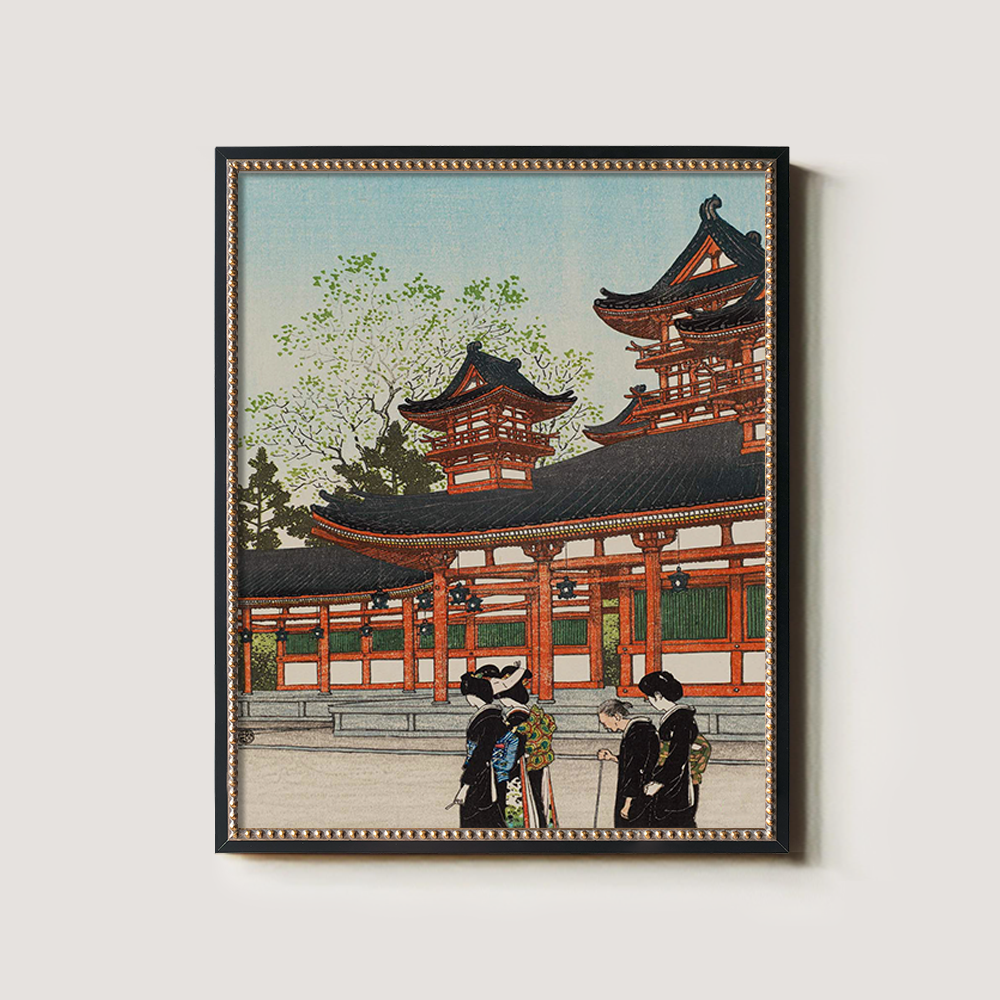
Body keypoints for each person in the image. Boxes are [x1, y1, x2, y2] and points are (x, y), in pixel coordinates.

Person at [637, 670, 699, 828]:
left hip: (675, 782)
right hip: (670, 778)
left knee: (673, 824)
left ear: (658, 695)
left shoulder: (681, 719)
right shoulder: (675, 717)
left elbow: (678, 756)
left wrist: (659, 781)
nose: (649, 701)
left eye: (648, 698)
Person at [453, 671, 507, 828]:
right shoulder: (492, 716)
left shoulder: (488, 720)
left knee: (476, 815)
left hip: (482, 776)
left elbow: (481, 754)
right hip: (485, 773)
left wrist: (465, 785)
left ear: (475, 696)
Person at [596, 699, 660, 828]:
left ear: (617, 717)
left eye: (604, 723)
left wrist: (627, 804)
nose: (605, 727)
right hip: (643, 791)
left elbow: (634, 770)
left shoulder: (636, 734)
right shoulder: (641, 731)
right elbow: (635, 760)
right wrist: (613, 758)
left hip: (636, 795)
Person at [494, 662, 533, 827]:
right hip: (517, 760)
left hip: (513, 763)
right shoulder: (518, 712)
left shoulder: (516, 716)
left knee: (512, 798)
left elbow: (513, 743)